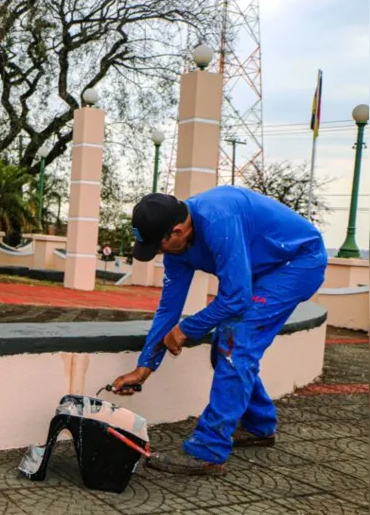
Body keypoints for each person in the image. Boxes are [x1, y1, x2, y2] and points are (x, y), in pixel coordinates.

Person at [112, 186, 328, 476]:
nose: (160, 253)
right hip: (263, 269)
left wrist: (187, 329)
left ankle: (208, 451)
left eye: (159, 246)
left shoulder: (218, 219)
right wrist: (145, 366)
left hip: (299, 262)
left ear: (177, 232)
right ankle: (258, 425)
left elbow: (236, 297)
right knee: (224, 343)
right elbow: (168, 309)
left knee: (234, 341)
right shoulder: (177, 247)